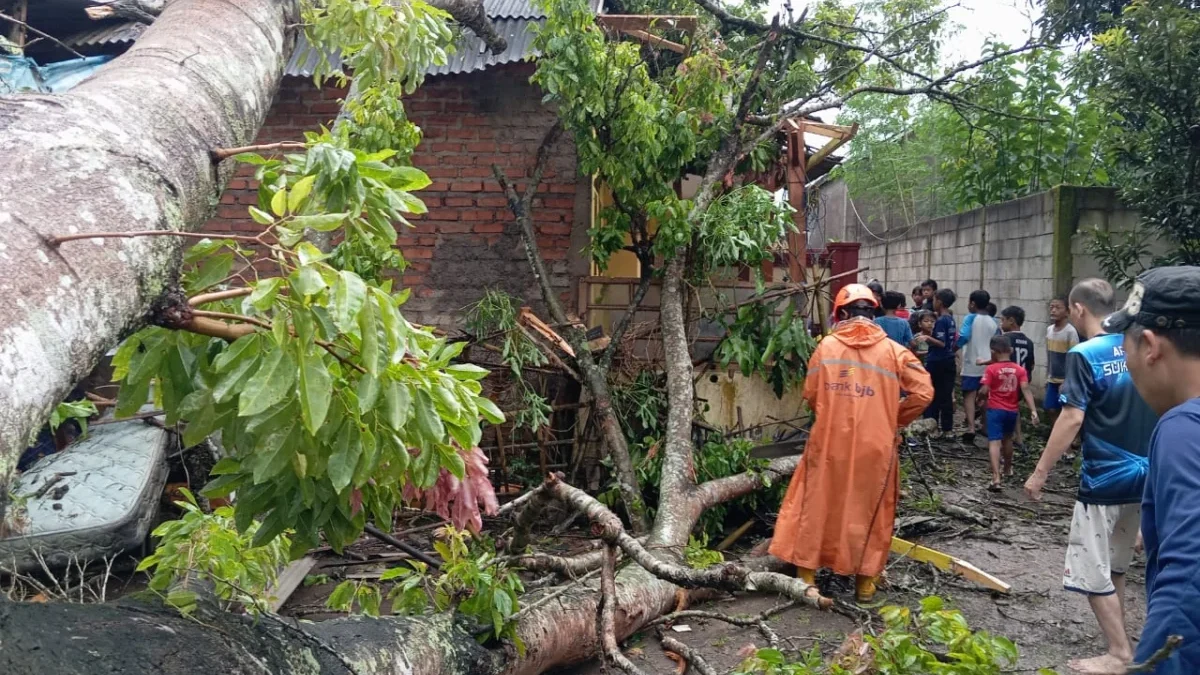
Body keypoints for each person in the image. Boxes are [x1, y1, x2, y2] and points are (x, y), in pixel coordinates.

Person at [1023, 279, 1158, 675]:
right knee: (1115, 566)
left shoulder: (1086, 354)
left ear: (1078, 309)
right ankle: (1132, 642)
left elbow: (1072, 417)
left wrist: (1039, 473)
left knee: (1091, 567)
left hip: (1103, 481)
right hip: (1147, 477)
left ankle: (1120, 652)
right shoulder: (1141, 348)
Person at [770, 284, 933, 603]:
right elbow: (924, 393)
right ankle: (865, 587)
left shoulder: (826, 347)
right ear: (872, 313)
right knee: (872, 511)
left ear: (842, 314)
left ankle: (807, 580)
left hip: (829, 443)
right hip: (877, 447)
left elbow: (812, 395)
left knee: (816, 507)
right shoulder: (895, 351)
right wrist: (893, 419)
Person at [1107, 266, 1200, 674]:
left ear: (1149, 345)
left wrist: (1154, 666)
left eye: (1123, 345)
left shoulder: (1185, 429)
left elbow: (1192, 574)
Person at [980, 335, 1038, 490]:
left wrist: (980, 397)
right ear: (1011, 350)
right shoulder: (1020, 370)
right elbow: (1025, 389)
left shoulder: (991, 369)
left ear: (993, 351)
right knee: (1008, 440)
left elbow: (984, 389)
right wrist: (1033, 410)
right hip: (1012, 410)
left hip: (995, 409)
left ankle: (996, 478)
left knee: (994, 441)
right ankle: (1007, 468)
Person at [957, 290, 1000, 444]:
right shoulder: (993, 321)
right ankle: (986, 426)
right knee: (986, 396)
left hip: (971, 363)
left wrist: (954, 348)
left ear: (972, 303)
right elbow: (998, 341)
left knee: (969, 395)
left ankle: (971, 427)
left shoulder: (970, 318)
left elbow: (963, 336)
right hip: (988, 364)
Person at [922, 288, 957, 435]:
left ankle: (932, 425)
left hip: (938, 361)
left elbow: (941, 343)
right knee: (946, 394)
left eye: (935, 300)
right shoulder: (951, 319)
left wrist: (928, 338)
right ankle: (947, 429)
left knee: (933, 393)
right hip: (949, 360)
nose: (933, 303)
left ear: (940, 302)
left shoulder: (942, 320)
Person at [1045, 296, 1080, 425]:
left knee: (1067, 410)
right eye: (1051, 307)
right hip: (1052, 378)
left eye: (1058, 308)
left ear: (1067, 312)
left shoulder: (1070, 332)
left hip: (1065, 380)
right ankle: (1058, 433)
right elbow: (1049, 355)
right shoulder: (1049, 330)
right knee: (1050, 407)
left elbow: (1074, 358)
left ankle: (1072, 439)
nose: (1053, 310)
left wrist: (1067, 380)